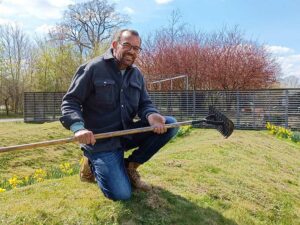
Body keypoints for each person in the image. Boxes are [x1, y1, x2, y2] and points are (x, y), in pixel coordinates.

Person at [60, 29, 178, 201]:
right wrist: (78, 128)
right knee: (122, 194)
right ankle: (90, 162)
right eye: (127, 45)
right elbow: (70, 101)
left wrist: (151, 115)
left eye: (136, 48)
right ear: (115, 45)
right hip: (100, 141)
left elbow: (144, 104)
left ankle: (130, 166)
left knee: (170, 124)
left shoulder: (136, 74)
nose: (132, 51)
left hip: (126, 134)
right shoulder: (93, 68)